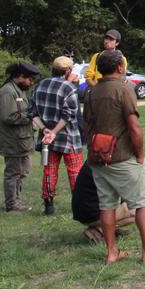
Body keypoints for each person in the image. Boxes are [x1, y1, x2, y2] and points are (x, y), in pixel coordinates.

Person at [83, 49, 145, 263]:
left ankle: (112, 252)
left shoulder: (91, 93)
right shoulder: (124, 89)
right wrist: (140, 155)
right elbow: (134, 127)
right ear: (120, 67)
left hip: (98, 158)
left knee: (107, 205)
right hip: (123, 157)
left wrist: (94, 149)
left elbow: (86, 126)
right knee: (142, 202)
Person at [29, 56, 84, 215]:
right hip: (68, 136)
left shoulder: (40, 85)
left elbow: (32, 112)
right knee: (75, 171)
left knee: (50, 170)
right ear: (67, 70)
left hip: (47, 138)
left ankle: (48, 204)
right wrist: (54, 131)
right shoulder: (68, 87)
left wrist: (45, 129)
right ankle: (78, 205)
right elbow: (69, 115)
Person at [0, 62, 41, 212]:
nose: (31, 83)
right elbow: (8, 116)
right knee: (13, 172)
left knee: (24, 170)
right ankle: (11, 203)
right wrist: (29, 116)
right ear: (21, 76)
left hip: (22, 140)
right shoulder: (8, 91)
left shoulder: (19, 90)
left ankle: (15, 199)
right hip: (12, 141)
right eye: (29, 79)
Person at [71, 164, 136, 243]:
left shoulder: (96, 159)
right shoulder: (112, 163)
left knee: (133, 206)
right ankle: (100, 229)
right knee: (137, 209)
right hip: (93, 214)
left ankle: (104, 228)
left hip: (82, 212)